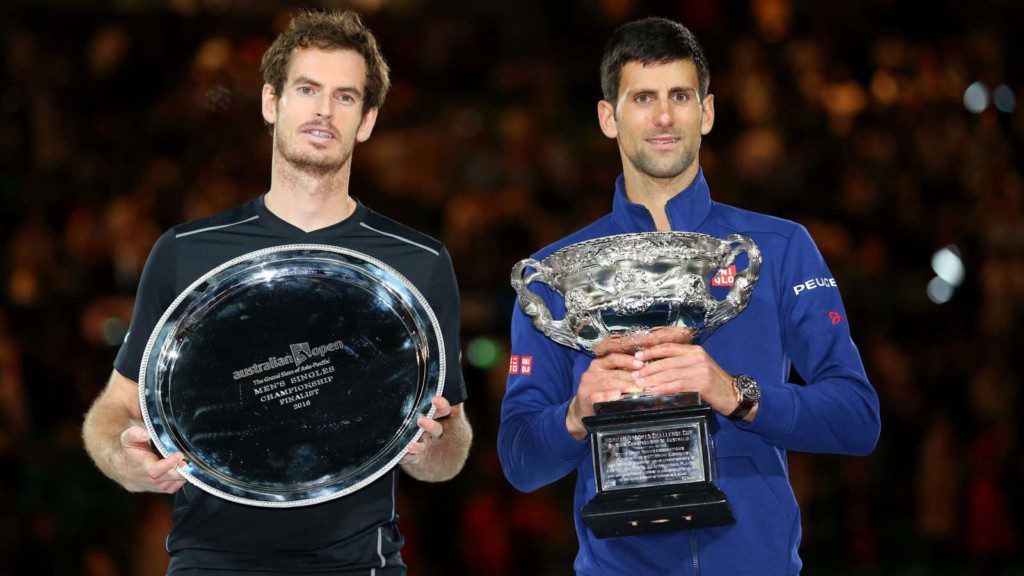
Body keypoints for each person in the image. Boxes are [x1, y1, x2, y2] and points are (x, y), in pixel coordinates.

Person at [82, 11, 472, 575]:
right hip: (210, 561)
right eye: (307, 89)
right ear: (271, 102)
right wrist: (129, 460)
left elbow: (448, 451)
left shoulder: (418, 262)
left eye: (345, 97)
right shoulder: (186, 251)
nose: (323, 111)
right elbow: (111, 412)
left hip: (360, 562)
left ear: (366, 121)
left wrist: (435, 444)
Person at [498, 17, 880, 576]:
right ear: (609, 117)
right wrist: (577, 414)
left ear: (707, 111)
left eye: (680, 95)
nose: (662, 117)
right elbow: (519, 460)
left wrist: (736, 394)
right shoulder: (558, 277)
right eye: (642, 98)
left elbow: (858, 419)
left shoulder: (777, 248)